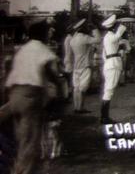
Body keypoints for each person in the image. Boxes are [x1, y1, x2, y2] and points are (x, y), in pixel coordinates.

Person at [0, 21, 64, 174]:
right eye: (47, 32)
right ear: (42, 34)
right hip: (30, 96)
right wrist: (59, 90)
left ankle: (17, 168)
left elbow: (10, 75)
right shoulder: (42, 49)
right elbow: (52, 74)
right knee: (30, 142)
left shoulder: (22, 50)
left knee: (21, 138)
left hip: (14, 95)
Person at [100, 14, 127, 124]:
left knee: (108, 90)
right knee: (109, 91)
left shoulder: (107, 37)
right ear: (113, 27)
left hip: (109, 64)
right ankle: (104, 117)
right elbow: (119, 35)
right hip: (113, 65)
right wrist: (120, 26)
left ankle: (104, 116)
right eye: (116, 25)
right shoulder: (111, 37)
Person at [69, 19, 99, 113]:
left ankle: (76, 107)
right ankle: (81, 108)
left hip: (76, 66)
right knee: (83, 88)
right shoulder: (84, 37)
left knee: (76, 88)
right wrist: (95, 29)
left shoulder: (73, 39)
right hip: (85, 65)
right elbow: (98, 39)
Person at [62, 22, 75, 97]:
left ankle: (69, 92)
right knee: (70, 77)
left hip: (68, 58)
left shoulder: (68, 38)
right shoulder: (70, 38)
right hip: (70, 59)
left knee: (70, 76)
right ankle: (69, 92)